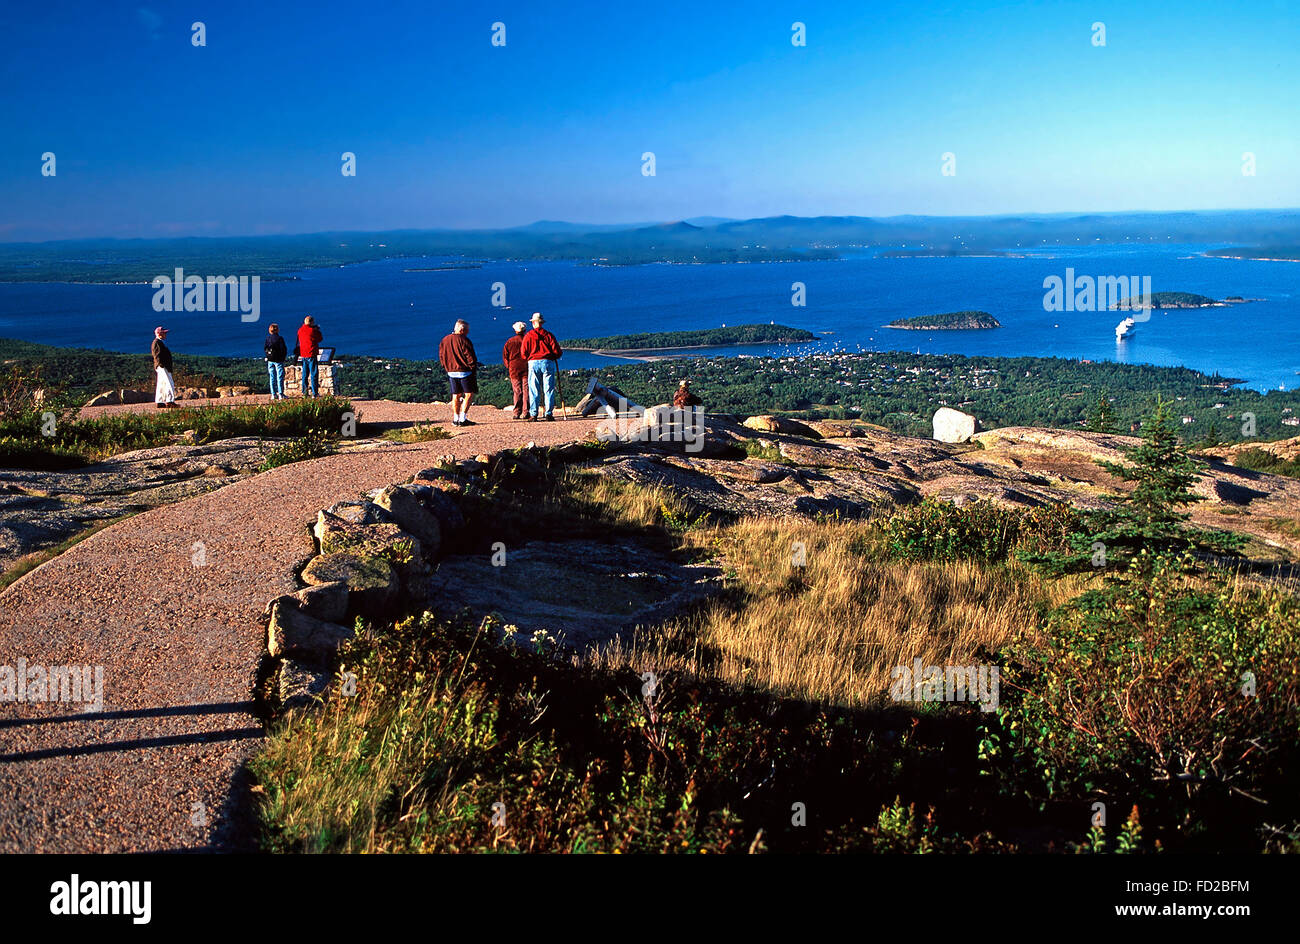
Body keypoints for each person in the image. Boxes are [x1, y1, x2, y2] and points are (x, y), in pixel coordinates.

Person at [520, 311, 562, 421]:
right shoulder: (548, 335)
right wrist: (553, 356)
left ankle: (533, 414)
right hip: (547, 362)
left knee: (534, 389)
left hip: (533, 363)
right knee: (549, 389)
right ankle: (548, 413)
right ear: (542, 323)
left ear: (533, 323)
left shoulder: (528, 336)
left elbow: (523, 353)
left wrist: (530, 358)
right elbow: (557, 351)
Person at [438, 319, 480, 426]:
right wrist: (473, 368)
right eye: (467, 330)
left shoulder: (445, 340)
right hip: (464, 371)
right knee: (469, 394)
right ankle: (462, 418)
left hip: (451, 371)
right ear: (462, 330)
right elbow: (470, 356)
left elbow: (442, 356)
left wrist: (446, 367)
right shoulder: (464, 340)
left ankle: (455, 418)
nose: (468, 332)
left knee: (455, 395)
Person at [502, 321, 529, 419]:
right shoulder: (527, 340)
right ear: (524, 330)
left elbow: (505, 356)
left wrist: (509, 366)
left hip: (514, 368)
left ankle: (517, 412)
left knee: (517, 390)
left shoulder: (510, 341)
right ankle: (526, 412)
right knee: (526, 390)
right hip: (526, 367)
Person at [297, 316, 323, 398]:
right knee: (314, 373)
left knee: (305, 373)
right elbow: (320, 339)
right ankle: (314, 393)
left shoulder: (300, 330)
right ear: (311, 322)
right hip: (311, 353)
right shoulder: (312, 331)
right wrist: (317, 330)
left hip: (303, 354)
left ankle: (304, 392)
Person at [152, 326, 177, 408]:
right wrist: (161, 365)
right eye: (164, 333)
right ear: (159, 334)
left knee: (161, 384)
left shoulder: (159, 342)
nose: (165, 334)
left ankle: (159, 401)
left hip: (161, 366)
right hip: (163, 366)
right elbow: (157, 355)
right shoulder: (157, 342)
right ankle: (170, 401)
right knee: (169, 383)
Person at [264, 323, 288, 400]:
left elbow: (265, 348)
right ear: (277, 330)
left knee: (272, 377)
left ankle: (273, 394)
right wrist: (283, 358)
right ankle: (280, 394)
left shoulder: (268, 338)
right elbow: (283, 349)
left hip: (270, 360)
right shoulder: (280, 338)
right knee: (280, 377)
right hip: (278, 360)